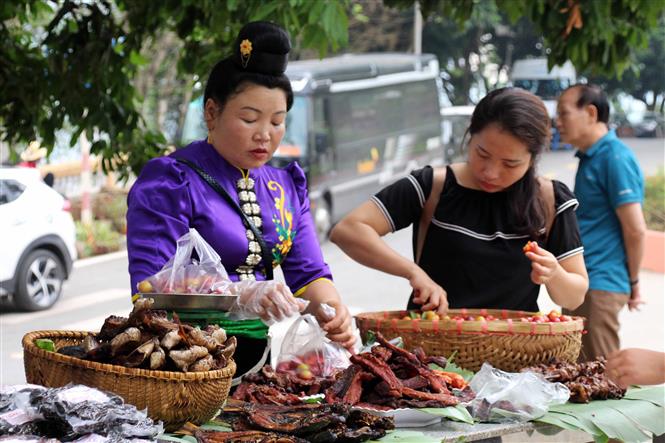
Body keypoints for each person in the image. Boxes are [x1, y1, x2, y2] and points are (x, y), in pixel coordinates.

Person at [126, 21, 355, 378]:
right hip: (185, 367)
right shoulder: (172, 181)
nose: (265, 135)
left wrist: (332, 309)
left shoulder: (285, 186)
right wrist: (242, 293)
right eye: (249, 119)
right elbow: (149, 292)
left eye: (278, 122)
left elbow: (308, 274)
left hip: (258, 365)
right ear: (211, 113)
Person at [330, 87, 588, 315]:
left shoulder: (551, 199)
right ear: (469, 136)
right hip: (431, 355)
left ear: (533, 159)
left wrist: (555, 274)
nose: (491, 172)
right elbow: (349, 230)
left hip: (514, 355)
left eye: (511, 163)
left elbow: (574, 297)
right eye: (482, 153)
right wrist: (414, 273)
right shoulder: (432, 185)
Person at [556, 84, 647, 361]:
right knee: (574, 374)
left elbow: (635, 229)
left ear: (591, 113)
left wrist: (633, 282)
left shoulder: (614, 157)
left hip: (601, 284)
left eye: (564, 114)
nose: (557, 123)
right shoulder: (590, 156)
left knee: (601, 376)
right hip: (582, 282)